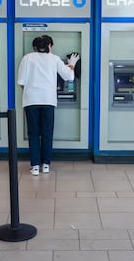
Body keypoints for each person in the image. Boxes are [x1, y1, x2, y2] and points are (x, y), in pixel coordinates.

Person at [17, 35, 79, 176]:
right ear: (50, 45)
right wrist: (72, 64)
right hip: (48, 101)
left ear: (34, 47)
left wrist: (31, 92)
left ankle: (35, 166)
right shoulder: (54, 59)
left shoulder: (27, 58)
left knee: (33, 133)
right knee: (47, 133)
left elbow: (21, 82)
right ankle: (46, 165)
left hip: (31, 101)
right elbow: (69, 77)